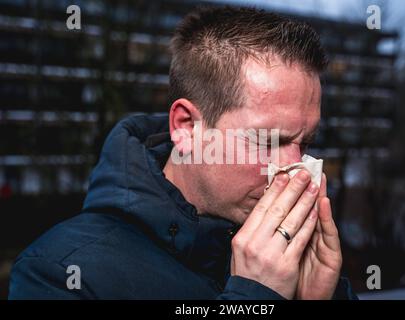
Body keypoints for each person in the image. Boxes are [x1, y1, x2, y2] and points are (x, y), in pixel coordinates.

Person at [9, 5, 357, 300]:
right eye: (268, 141)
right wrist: (254, 297)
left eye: (306, 143)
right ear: (187, 127)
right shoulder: (59, 274)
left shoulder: (297, 261)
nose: (295, 170)